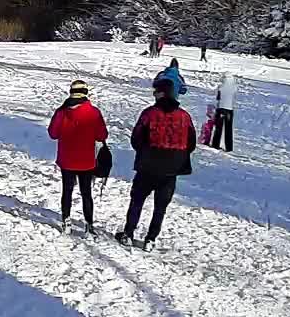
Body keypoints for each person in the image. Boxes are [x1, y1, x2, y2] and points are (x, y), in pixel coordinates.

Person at [119, 74, 196, 250]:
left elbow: (136, 139)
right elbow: (191, 143)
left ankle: (128, 234)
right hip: (171, 169)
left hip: (148, 165)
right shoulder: (184, 117)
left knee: (137, 201)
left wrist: (146, 152)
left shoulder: (149, 114)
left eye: (156, 91)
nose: (154, 94)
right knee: (160, 206)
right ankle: (150, 240)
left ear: (162, 93)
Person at [48, 78, 108, 233]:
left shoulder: (62, 112)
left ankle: (66, 221)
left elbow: (53, 134)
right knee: (86, 193)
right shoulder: (94, 112)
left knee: (67, 191)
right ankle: (89, 225)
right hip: (87, 161)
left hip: (67, 160)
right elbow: (102, 135)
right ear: (85, 93)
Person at [210, 73, 237, 151]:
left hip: (221, 109)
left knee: (218, 128)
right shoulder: (234, 87)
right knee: (228, 129)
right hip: (230, 109)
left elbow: (218, 98)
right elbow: (234, 97)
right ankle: (229, 147)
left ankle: (215, 144)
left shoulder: (221, 87)